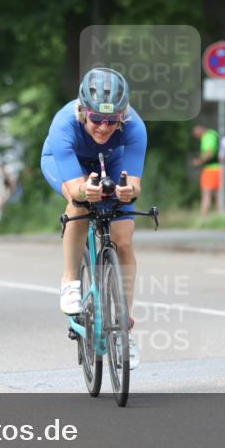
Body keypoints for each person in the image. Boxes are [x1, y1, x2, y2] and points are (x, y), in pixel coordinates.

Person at [41, 67, 144, 369]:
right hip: (66, 163)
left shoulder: (134, 126)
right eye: (97, 119)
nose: (103, 127)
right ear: (82, 111)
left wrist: (127, 193)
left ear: (122, 117)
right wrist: (86, 191)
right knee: (79, 203)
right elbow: (76, 187)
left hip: (112, 163)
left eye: (112, 121)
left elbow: (135, 183)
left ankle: (123, 326)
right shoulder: (63, 124)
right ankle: (70, 280)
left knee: (124, 240)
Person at [192, 125, 221, 217]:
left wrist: (198, 162)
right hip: (219, 168)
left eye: (196, 135)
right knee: (218, 194)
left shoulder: (207, 137)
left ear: (200, 131)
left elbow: (209, 153)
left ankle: (203, 217)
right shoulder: (214, 134)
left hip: (210, 169)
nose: (197, 137)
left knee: (206, 194)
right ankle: (220, 216)